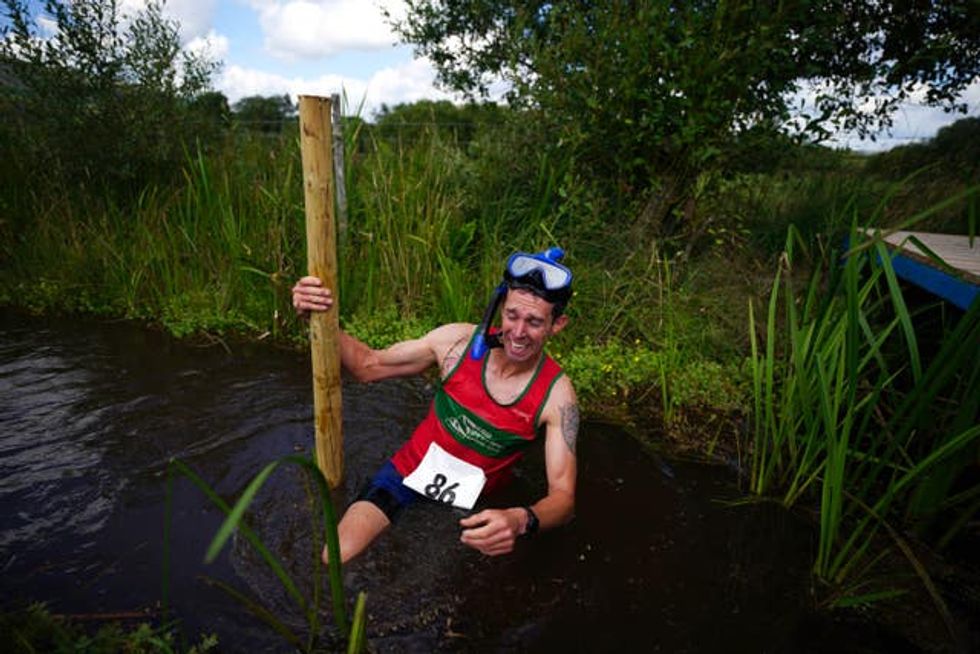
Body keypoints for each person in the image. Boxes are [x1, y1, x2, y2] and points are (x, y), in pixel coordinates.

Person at [291, 248, 579, 564]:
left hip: (477, 502)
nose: (519, 333)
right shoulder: (456, 344)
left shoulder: (557, 396)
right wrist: (319, 316)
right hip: (407, 474)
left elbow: (563, 499)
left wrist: (519, 519)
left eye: (535, 322)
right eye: (512, 315)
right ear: (500, 306)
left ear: (558, 324)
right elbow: (367, 365)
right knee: (334, 557)